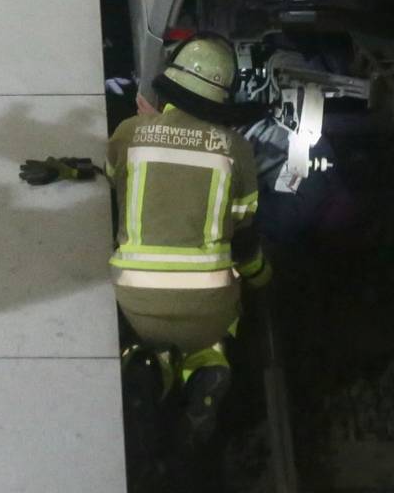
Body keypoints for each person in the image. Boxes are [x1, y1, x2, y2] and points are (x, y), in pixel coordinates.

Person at [20, 34, 268, 447]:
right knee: (213, 334)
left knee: (148, 336)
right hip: (209, 303)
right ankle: (206, 364)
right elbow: (243, 231)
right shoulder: (237, 149)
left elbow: (110, 173)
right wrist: (261, 279)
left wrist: (63, 169)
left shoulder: (132, 132)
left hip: (137, 297)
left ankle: (149, 366)